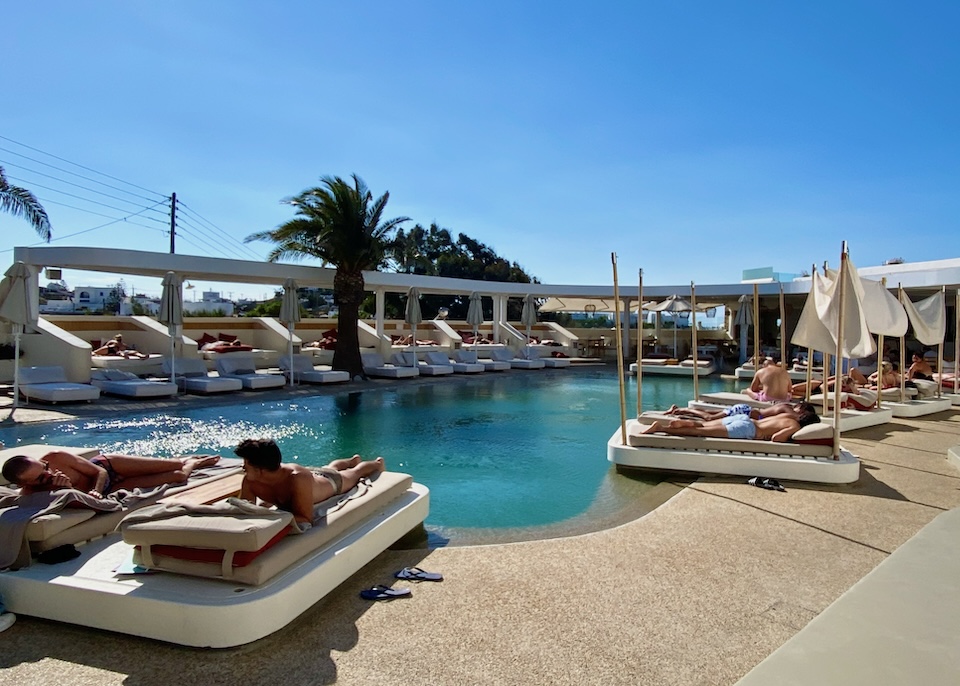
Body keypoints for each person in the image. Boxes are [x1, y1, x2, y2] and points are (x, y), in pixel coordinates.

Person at [234, 438, 385, 526]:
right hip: (313, 475)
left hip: (330, 482)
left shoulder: (297, 479)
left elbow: (305, 518)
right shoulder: (250, 480)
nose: (243, 467)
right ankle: (351, 460)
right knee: (329, 467)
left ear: (260, 469)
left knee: (354, 473)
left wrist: (267, 517)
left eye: (246, 463)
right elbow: (245, 511)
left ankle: (377, 463)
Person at [1, 451, 221, 499]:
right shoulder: (32, 493)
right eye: (41, 477)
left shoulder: (57, 457)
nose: (49, 473)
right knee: (179, 475)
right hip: (111, 489)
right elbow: (79, 501)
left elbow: (99, 471)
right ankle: (192, 463)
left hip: (109, 466)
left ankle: (188, 459)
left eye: (45, 467)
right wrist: (65, 490)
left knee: (174, 463)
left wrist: (95, 490)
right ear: (25, 484)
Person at [639, 404, 820, 442]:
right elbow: (776, 439)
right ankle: (661, 428)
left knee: (703, 425)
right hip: (746, 428)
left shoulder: (788, 417)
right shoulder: (794, 426)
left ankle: (681, 421)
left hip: (745, 419)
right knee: (702, 433)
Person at [665, 401, 817, 422]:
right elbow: (796, 418)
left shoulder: (785, 406)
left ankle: (679, 411)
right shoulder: (789, 410)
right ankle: (682, 409)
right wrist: (807, 419)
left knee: (710, 413)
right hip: (743, 412)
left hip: (744, 409)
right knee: (710, 418)